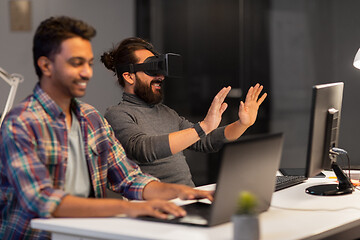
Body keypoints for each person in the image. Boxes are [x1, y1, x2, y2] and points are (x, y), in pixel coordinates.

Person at [0, 16, 213, 240]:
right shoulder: (20, 124)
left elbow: (129, 178)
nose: (86, 73)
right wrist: (129, 208)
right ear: (46, 66)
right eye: (76, 63)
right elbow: (44, 201)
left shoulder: (90, 118)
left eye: (89, 63)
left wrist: (180, 192)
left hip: (86, 234)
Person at [101, 37, 267, 187]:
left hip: (188, 198)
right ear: (129, 77)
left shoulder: (167, 113)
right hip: (157, 206)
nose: (161, 77)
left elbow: (205, 140)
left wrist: (242, 124)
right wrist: (203, 126)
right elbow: (143, 149)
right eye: (152, 69)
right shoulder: (117, 114)